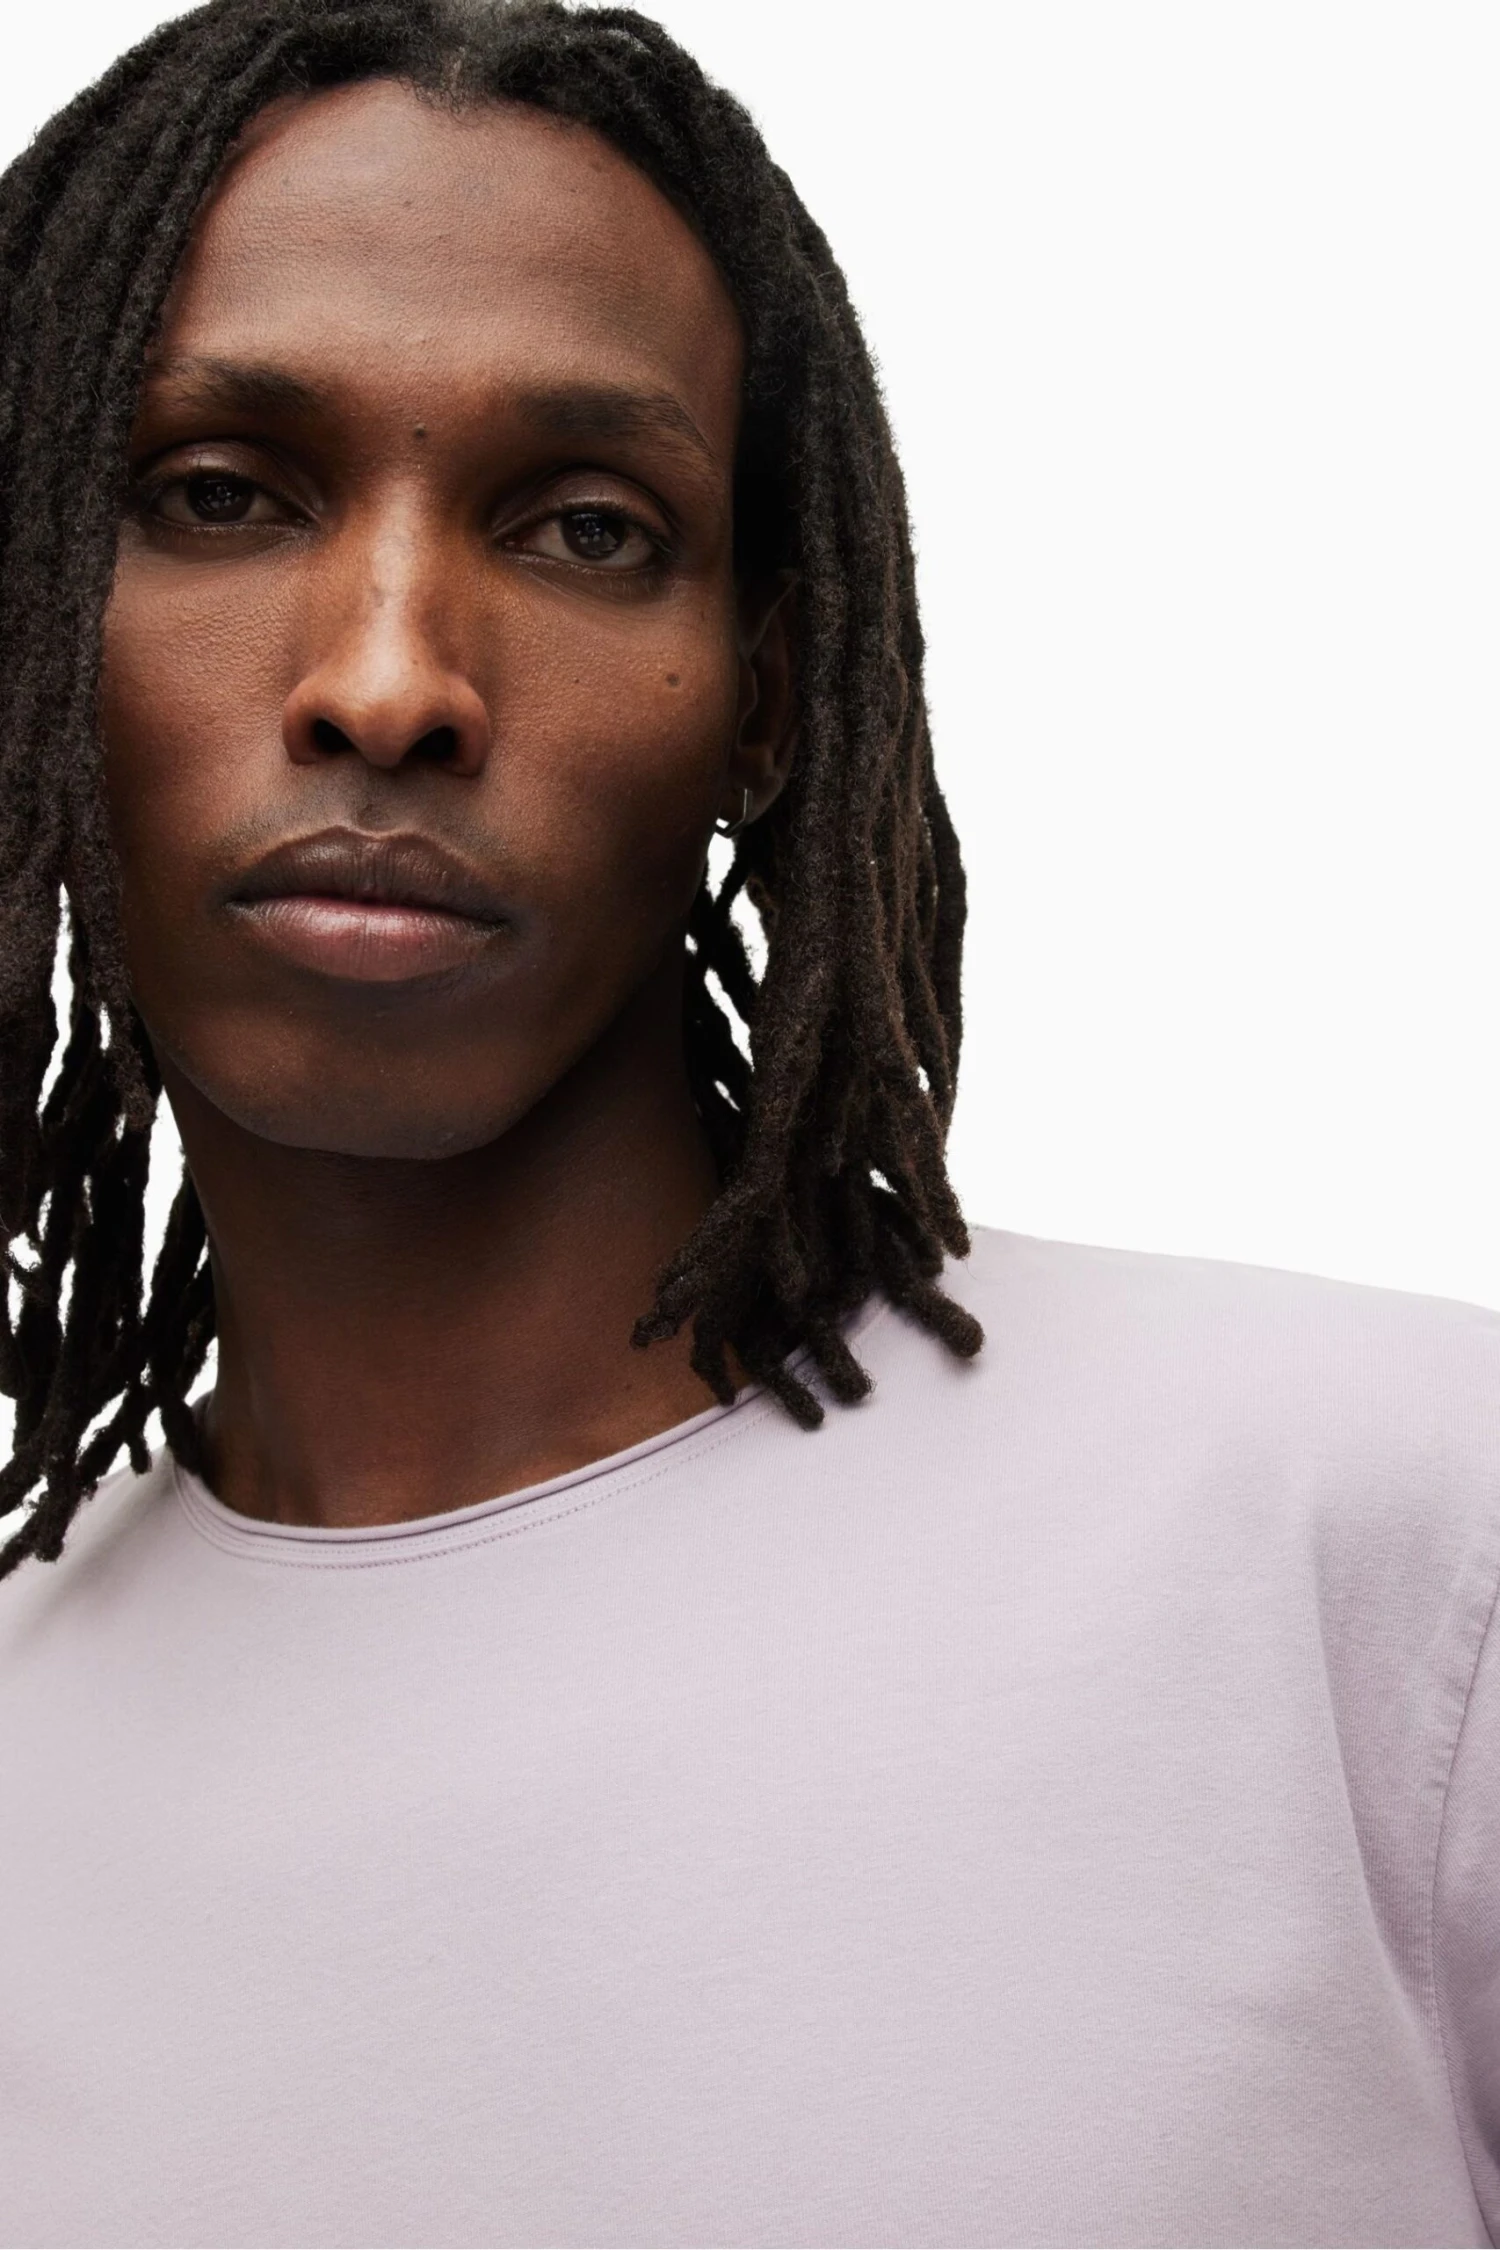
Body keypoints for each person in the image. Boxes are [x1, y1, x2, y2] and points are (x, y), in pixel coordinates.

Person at [0, 2, 1495, 2243]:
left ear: (771, 702)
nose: (388, 680)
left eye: (586, 528)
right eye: (219, 494)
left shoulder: (1382, 1542)